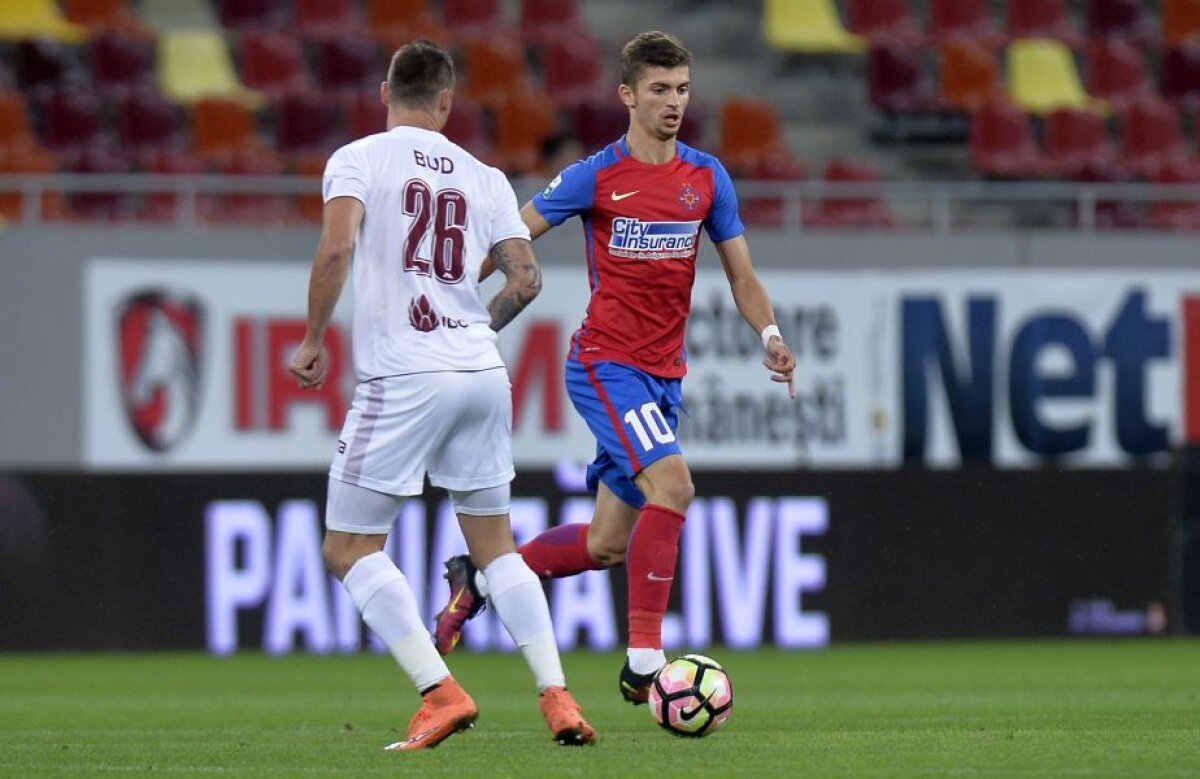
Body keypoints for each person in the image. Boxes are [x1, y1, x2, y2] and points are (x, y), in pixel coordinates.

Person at [433, 31, 797, 705]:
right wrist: (452, 298)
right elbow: (512, 237)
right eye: (660, 89)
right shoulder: (595, 176)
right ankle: (645, 658)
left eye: (683, 89)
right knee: (675, 486)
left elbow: (742, 275)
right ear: (627, 94)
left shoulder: (705, 177)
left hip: (663, 376)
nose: (674, 102)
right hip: (605, 363)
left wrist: (769, 332)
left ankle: (479, 577)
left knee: (604, 544)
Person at [287, 39, 596, 751]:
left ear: (385, 90)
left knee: (347, 546)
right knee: (496, 546)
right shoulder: (486, 177)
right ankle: (557, 695)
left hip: (403, 371)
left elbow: (335, 250)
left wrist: (311, 339)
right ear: (449, 102)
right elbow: (525, 279)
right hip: (481, 373)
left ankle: (440, 690)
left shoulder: (360, 158)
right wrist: (467, 331)